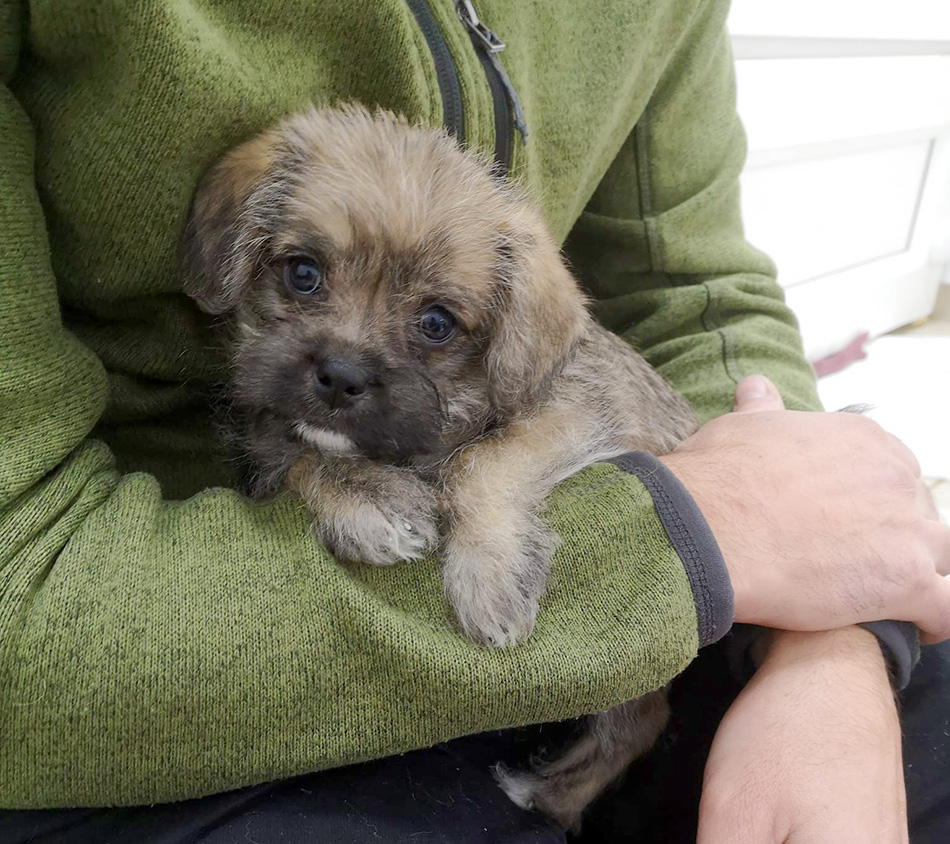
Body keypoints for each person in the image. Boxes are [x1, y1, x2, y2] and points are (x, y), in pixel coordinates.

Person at [0, 0, 947, 842]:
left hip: (643, 566)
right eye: (303, 276)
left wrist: (829, 645)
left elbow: (693, 293)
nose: (341, 360)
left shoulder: (538, 324)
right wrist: (710, 541)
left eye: (434, 324)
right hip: (163, 636)